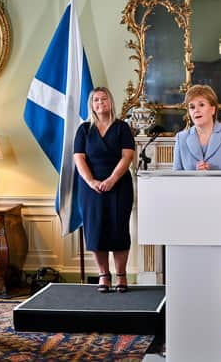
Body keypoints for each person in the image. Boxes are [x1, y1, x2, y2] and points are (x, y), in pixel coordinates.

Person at [73, 87, 135, 293]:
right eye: (96, 100)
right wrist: (91, 181)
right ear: (91, 105)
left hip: (119, 187)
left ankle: (121, 275)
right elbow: (79, 158)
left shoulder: (122, 128)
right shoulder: (83, 130)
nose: (100, 103)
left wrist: (111, 180)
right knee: (96, 231)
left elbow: (127, 157)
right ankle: (103, 275)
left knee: (119, 230)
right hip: (91, 189)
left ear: (111, 102)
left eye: (104, 99)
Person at [173, 84, 221, 171]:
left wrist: (213, 172)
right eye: (192, 107)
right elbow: (176, 179)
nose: (196, 110)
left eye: (201, 105)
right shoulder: (181, 138)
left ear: (213, 109)